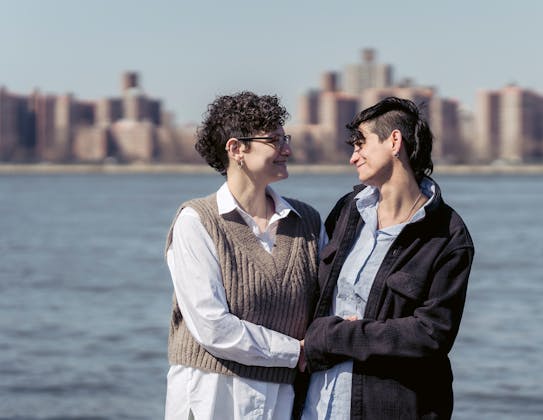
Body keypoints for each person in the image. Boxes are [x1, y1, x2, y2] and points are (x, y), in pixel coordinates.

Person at [300, 97, 475, 419]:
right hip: (318, 405)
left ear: (394, 141)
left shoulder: (448, 235)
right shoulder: (347, 211)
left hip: (393, 408)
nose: (353, 157)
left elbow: (431, 334)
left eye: (361, 144)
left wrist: (335, 335)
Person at [163, 92, 325, 420]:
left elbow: (326, 303)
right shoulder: (196, 222)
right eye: (275, 141)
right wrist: (297, 352)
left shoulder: (307, 222)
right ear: (236, 149)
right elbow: (212, 326)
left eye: (285, 139)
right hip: (212, 397)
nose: (287, 150)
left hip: (283, 398)